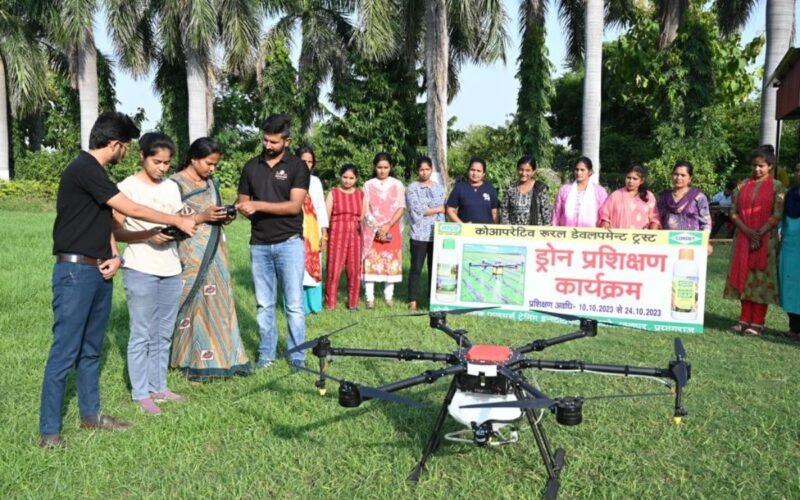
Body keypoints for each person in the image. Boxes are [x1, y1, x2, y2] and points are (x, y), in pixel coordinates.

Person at [39, 112, 196, 448]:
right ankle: (49, 431)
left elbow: (106, 225)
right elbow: (131, 209)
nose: (124, 152)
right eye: (124, 147)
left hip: (99, 270)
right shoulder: (84, 169)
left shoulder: (97, 174)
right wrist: (174, 220)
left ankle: (90, 416)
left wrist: (115, 257)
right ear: (114, 145)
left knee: (92, 350)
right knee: (65, 351)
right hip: (74, 273)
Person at [113, 132, 185, 415]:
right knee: (141, 332)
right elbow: (115, 230)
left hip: (171, 267)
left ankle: (160, 386)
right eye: (157, 162)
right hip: (140, 267)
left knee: (163, 333)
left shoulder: (171, 188)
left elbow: (180, 220)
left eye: (167, 163)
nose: (162, 168)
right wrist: (147, 235)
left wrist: (176, 231)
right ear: (142, 156)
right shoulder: (126, 188)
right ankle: (140, 392)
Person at [170, 137, 251, 381]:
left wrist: (222, 216)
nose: (212, 169)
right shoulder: (174, 184)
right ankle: (188, 358)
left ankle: (226, 356)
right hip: (191, 249)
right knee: (193, 300)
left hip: (215, 249)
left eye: (215, 165)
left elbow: (210, 211)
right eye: (208, 163)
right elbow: (171, 216)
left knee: (219, 301)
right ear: (193, 158)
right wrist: (203, 216)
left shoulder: (211, 183)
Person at [237, 115, 310, 370]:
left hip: (289, 243)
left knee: (293, 304)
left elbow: (294, 206)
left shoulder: (298, 167)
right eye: (265, 140)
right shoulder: (251, 166)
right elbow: (242, 199)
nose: (268, 145)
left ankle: (297, 356)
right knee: (264, 304)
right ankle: (266, 355)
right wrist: (243, 207)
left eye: (274, 142)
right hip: (259, 243)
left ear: (287, 141)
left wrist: (257, 205)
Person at [724, 146, 785, 337]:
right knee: (745, 277)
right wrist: (748, 231)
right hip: (744, 237)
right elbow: (733, 211)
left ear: (770, 166)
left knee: (760, 280)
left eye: (761, 166)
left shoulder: (777, 187)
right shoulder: (742, 186)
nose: (757, 169)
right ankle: (744, 319)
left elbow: (778, 213)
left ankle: (757, 322)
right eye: (754, 166)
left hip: (766, 240)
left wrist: (759, 233)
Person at [362, 152, 406, 308]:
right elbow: (365, 209)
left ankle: (388, 297)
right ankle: (369, 298)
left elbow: (401, 207)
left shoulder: (397, 184)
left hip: (391, 228)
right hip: (372, 230)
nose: (382, 170)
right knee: (370, 262)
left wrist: (388, 225)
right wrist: (376, 226)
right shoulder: (368, 185)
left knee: (391, 263)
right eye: (379, 167)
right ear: (375, 167)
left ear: (391, 167)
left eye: (386, 167)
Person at [405, 156, 445, 311]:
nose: (424, 172)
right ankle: (412, 300)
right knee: (416, 267)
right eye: (421, 169)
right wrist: (435, 209)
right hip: (419, 234)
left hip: (436, 233)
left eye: (427, 169)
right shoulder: (412, 188)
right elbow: (416, 211)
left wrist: (431, 210)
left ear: (431, 170)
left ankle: (432, 299)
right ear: (417, 171)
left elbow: (443, 210)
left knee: (434, 268)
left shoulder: (438, 188)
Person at [325, 164, 364, 310]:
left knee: (354, 269)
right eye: (345, 177)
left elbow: (363, 216)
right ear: (340, 177)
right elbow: (326, 215)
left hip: (355, 233)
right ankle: (330, 303)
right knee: (334, 268)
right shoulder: (333, 193)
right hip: (337, 232)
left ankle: (353, 303)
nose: (348, 181)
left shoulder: (361, 194)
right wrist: (324, 234)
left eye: (351, 178)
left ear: (356, 178)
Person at [297, 147, 329, 314]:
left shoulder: (315, 181)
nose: (307, 164)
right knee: (297, 268)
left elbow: (321, 207)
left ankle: (315, 306)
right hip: (295, 228)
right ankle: (299, 306)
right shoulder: (290, 178)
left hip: (314, 229)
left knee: (314, 265)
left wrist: (324, 233)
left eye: (310, 162)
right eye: (304, 161)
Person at [599, 163, 660, 229]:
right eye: (628, 178)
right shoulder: (615, 195)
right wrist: (606, 227)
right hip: (619, 237)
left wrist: (653, 231)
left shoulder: (648, 196)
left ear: (642, 181)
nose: (631, 181)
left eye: (635, 179)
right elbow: (604, 217)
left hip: (641, 237)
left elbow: (654, 219)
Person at [551, 156, 608, 227]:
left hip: (590, 235)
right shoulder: (565, 190)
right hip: (566, 234)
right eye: (577, 169)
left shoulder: (599, 192)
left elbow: (604, 216)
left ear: (589, 172)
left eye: (582, 170)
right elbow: (556, 213)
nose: (579, 172)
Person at [657, 160, 712, 231]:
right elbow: (658, 219)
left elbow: (706, 223)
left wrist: (704, 239)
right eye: (676, 174)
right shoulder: (665, 197)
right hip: (668, 239)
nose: (678, 178)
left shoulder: (698, 197)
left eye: (683, 175)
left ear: (690, 178)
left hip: (693, 240)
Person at [779, 160, 800, 339]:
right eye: (798, 170)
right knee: (790, 286)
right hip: (790, 247)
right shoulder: (791, 194)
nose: (799, 173)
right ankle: (794, 328)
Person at [446, 158, 499, 224]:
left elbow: (495, 212)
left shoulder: (490, 188)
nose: (475, 173)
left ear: (483, 174)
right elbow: (450, 209)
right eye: (472, 170)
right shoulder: (460, 187)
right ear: (468, 171)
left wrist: (495, 229)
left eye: (478, 171)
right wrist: (462, 225)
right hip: (465, 231)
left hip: (485, 231)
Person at [501, 156, 551, 226]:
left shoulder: (540, 189)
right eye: (521, 169)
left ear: (533, 171)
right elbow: (505, 213)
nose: (524, 173)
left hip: (535, 233)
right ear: (517, 170)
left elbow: (546, 215)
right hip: (514, 233)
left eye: (528, 170)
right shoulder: (510, 189)